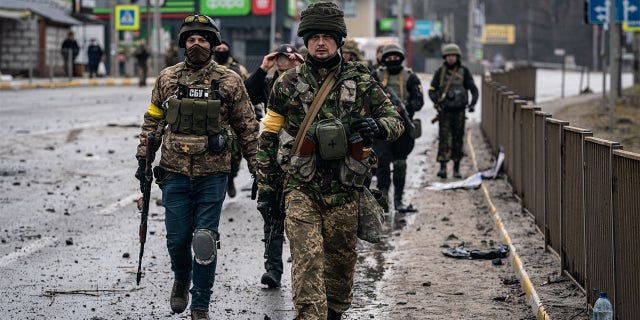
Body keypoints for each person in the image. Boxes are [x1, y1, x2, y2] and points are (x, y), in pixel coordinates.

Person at [255, 2, 404, 319]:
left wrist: (378, 126)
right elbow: (268, 136)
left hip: (345, 192)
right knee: (307, 261)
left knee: (340, 268)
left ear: (339, 39)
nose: (320, 42)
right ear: (305, 40)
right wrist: (267, 186)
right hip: (301, 188)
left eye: (327, 36)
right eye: (314, 36)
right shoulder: (287, 84)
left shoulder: (360, 82)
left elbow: (395, 120)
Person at [134, 14, 259, 320]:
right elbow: (153, 121)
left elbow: (246, 126)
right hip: (174, 173)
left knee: (204, 240)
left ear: (214, 44)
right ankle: (181, 277)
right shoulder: (167, 79)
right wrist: (143, 159)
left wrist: (258, 167)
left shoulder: (229, 81)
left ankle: (201, 305)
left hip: (213, 174)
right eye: (191, 39)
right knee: (176, 240)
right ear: (183, 44)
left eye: (203, 39)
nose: (197, 44)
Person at [243, 43, 303, 289]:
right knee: (271, 213)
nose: (282, 61)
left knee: (301, 216)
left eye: (287, 58)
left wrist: (302, 65)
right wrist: (262, 69)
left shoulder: (304, 81)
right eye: (279, 57)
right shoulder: (269, 84)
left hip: (301, 156)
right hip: (272, 154)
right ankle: (273, 270)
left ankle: (304, 272)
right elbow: (245, 96)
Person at [373, 43, 424, 212]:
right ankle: (382, 202)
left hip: (403, 128)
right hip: (382, 128)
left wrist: (404, 107)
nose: (392, 60)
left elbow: (419, 101)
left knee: (400, 163)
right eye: (389, 57)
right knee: (382, 164)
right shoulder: (376, 76)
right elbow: (366, 99)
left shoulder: (410, 77)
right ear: (384, 59)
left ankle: (399, 200)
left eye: (396, 57)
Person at [428, 43, 478, 179]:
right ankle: (443, 168)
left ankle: (456, 168)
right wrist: (436, 102)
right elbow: (432, 90)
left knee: (458, 139)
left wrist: (473, 104)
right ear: (445, 57)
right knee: (444, 139)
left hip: (460, 111)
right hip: (444, 112)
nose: (451, 58)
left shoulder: (464, 72)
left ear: (457, 57)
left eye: (453, 56)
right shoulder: (440, 72)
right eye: (448, 56)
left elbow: (474, 89)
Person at [213, 40, 250, 197]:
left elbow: (247, 93)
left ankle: (231, 178)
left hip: (233, 119)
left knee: (235, 156)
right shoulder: (208, 68)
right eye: (218, 48)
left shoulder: (238, 69)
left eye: (224, 48)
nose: (221, 51)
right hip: (213, 119)